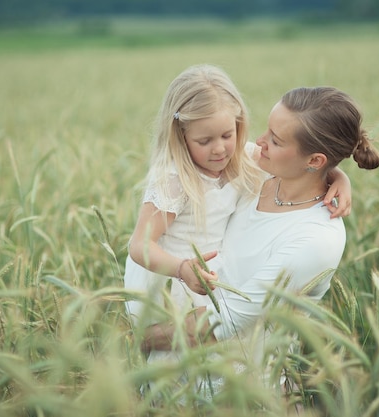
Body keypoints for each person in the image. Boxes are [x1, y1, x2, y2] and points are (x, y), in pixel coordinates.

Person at [123, 65, 352, 351]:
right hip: (174, 278)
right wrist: (182, 269)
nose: (219, 149)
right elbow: (139, 244)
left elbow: (312, 168)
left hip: (208, 286)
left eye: (227, 135)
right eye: (204, 141)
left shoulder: (243, 161)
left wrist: (339, 176)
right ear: (180, 136)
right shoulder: (177, 180)